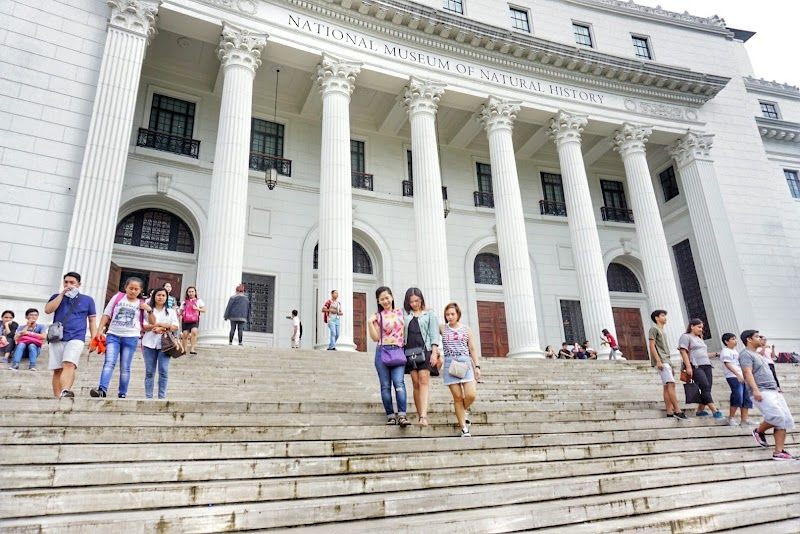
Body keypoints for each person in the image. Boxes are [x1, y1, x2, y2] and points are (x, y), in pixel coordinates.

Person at [740, 329, 796, 460]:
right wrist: (755, 389)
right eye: (757, 337)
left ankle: (779, 452)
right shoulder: (745, 354)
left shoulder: (759, 355)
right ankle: (758, 431)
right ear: (749, 339)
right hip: (761, 390)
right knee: (776, 416)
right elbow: (747, 372)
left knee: (785, 421)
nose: (760, 339)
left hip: (773, 390)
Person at [90, 277, 150, 399]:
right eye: (131, 288)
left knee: (125, 366)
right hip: (113, 335)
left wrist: (150, 310)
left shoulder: (142, 303)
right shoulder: (118, 297)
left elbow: (150, 321)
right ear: (125, 288)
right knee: (109, 362)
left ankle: (122, 393)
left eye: (136, 289)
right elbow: (107, 313)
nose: (133, 291)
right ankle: (102, 389)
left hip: (131, 337)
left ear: (140, 290)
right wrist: (99, 330)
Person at [44, 272, 98, 398]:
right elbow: (48, 310)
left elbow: (92, 320)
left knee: (69, 364)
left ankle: (65, 391)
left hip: (77, 336)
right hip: (58, 337)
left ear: (79, 284)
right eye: (66, 282)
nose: (69, 285)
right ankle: (57, 397)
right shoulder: (56, 296)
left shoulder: (87, 300)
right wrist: (62, 294)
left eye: (72, 283)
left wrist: (94, 338)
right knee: (57, 369)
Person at [368, 286, 408, 427]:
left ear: (391, 297)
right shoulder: (377, 316)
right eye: (382, 299)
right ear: (378, 301)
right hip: (382, 352)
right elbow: (375, 338)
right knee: (385, 386)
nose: (385, 301)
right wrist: (370, 322)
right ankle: (390, 416)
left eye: (387, 297)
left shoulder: (401, 313)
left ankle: (402, 415)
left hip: (398, 350)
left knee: (399, 383)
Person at [440, 302, 480, 437]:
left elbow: (472, 348)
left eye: (452, 314)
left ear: (458, 315)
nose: (450, 317)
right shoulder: (442, 328)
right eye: (447, 314)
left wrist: (477, 366)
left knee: (471, 395)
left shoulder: (466, 329)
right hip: (450, 364)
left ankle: (462, 411)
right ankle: (464, 428)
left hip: (466, 363)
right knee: (457, 397)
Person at [402, 287, 441, 427]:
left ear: (421, 299)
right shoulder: (406, 316)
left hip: (426, 350)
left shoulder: (430, 315)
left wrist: (435, 353)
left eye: (417, 300)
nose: (414, 304)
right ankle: (420, 414)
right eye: (411, 301)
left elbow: (434, 335)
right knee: (415, 383)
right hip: (410, 351)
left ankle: (424, 416)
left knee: (424, 380)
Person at [679, 318, 723, 419]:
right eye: (699, 327)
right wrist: (688, 366)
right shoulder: (686, 337)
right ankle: (715, 410)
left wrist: (716, 354)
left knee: (707, 388)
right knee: (705, 385)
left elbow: (703, 354)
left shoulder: (700, 339)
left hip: (707, 365)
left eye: (702, 327)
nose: (701, 329)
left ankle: (700, 410)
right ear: (692, 326)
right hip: (695, 366)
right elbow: (683, 351)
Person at [648, 310, 687, 420]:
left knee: (667, 386)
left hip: (666, 360)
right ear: (656, 318)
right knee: (671, 384)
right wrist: (658, 361)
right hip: (662, 361)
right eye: (663, 315)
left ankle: (669, 411)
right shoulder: (654, 329)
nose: (665, 318)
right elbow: (652, 346)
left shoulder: (662, 331)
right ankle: (677, 410)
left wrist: (670, 363)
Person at [141, 287, 180, 399]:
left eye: (163, 295)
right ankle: (148, 397)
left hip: (166, 345)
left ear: (167, 298)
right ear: (154, 296)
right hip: (149, 343)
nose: (161, 297)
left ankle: (161, 397)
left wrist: (162, 327)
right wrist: (156, 327)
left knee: (163, 371)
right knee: (149, 372)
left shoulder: (171, 312)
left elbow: (175, 326)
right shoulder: (148, 310)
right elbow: (144, 326)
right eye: (158, 295)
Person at [720, 332, 751, 426]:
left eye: (735, 338)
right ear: (726, 341)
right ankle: (731, 418)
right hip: (733, 376)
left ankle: (744, 420)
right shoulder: (726, 351)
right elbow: (727, 363)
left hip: (742, 376)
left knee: (746, 397)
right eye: (733, 339)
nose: (735, 341)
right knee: (737, 396)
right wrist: (737, 374)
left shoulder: (736, 352)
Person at [180, 286, 205, 355]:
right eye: (189, 292)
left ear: (195, 292)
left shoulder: (198, 301)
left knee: (194, 331)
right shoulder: (184, 302)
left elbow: (204, 310)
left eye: (192, 291)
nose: (191, 293)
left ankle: (192, 349)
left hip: (194, 319)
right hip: (185, 319)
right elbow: (181, 311)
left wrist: (197, 309)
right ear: (187, 293)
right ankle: (184, 349)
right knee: (185, 334)